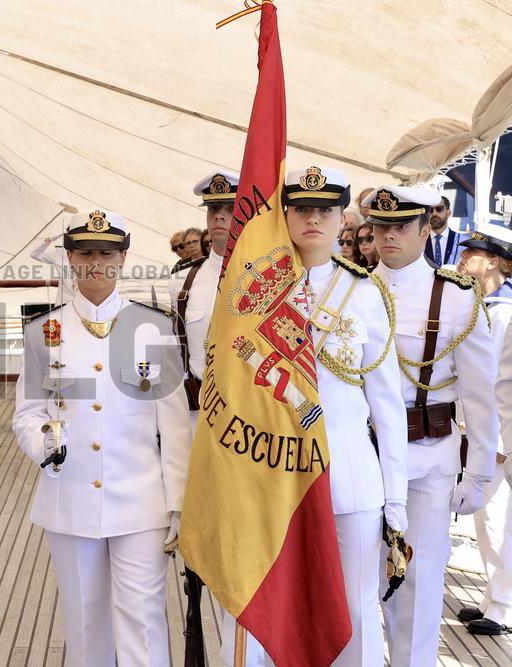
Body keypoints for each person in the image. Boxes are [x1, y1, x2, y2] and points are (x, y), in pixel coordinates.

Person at [220, 167, 409, 667]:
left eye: (324, 210)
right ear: (286, 214)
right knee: (266, 612)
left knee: (356, 612)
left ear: (342, 216)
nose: (312, 220)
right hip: (270, 475)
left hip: (349, 477)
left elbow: (388, 405)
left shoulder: (365, 294)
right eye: (302, 208)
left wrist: (396, 497)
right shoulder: (256, 292)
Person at [13, 209, 191, 666]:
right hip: (69, 499)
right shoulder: (43, 331)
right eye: (86, 252)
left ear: (123, 257)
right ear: (70, 258)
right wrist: (45, 444)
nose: (97, 262)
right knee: (84, 621)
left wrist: (179, 503)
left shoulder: (154, 327)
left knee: (144, 619)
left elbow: (172, 426)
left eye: (107, 253)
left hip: (141, 501)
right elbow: (27, 414)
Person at [366, 185, 498, 666]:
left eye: (401, 226)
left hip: (429, 456)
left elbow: (481, 394)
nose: (388, 236)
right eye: (381, 226)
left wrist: (480, 470)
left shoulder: (457, 297)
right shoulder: (351, 289)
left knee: (420, 587)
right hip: (367, 456)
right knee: (359, 581)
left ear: (426, 230)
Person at [457, 225, 512, 636]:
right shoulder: (478, 305)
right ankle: (491, 599)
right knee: (484, 523)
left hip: (498, 435)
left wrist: (496, 440)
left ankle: (503, 608)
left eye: (470, 254)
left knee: (496, 522)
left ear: (493, 261)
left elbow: (499, 382)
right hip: (479, 432)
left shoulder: (505, 312)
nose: (462, 260)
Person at [168, 170, 238, 416]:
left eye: (230, 208)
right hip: (201, 408)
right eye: (213, 208)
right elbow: (176, 352)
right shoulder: (182, 281)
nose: (219, 215)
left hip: (252, 412)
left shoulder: (267, 277)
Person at [423, 195, 467, 267]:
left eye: (439, 209)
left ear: (448, 212)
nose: (434, 213)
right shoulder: (419, 241)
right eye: (430, 210)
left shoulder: (463, 242)